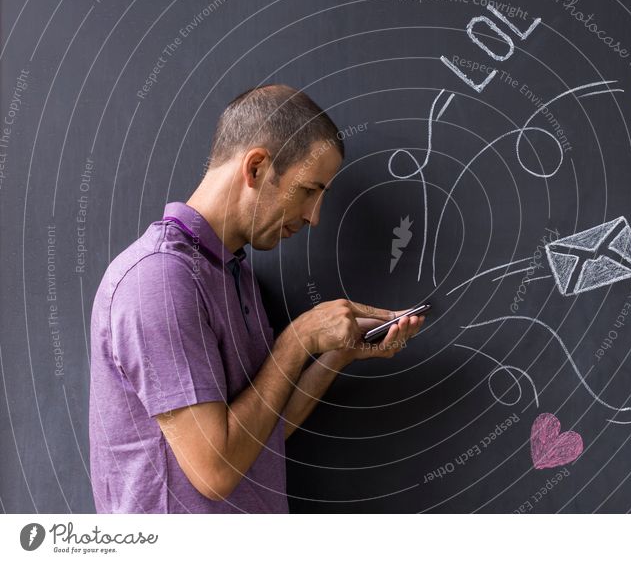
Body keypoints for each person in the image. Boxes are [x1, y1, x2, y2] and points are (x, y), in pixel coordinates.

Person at [88, 84, 424, 513]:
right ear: (257, 167)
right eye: (308, 190)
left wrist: (337, 354)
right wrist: (299, 337)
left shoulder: (232, 273)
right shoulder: (158, 281)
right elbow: (216, 470)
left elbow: (261, 434)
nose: (314, 216)